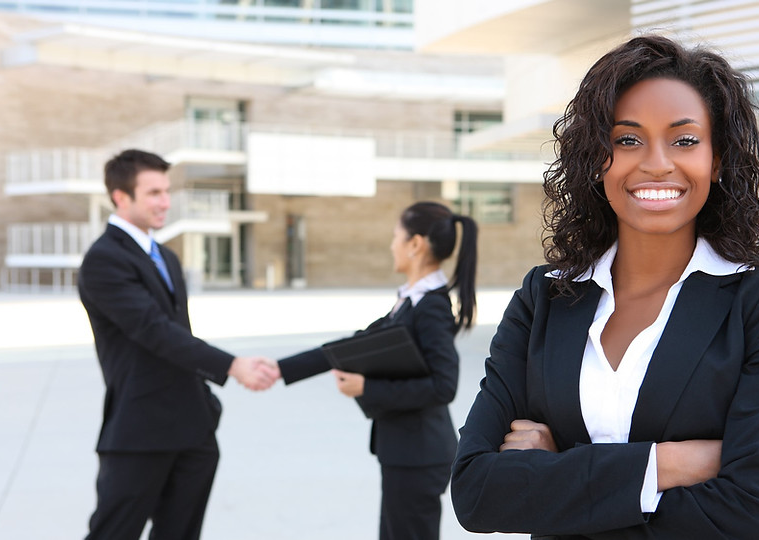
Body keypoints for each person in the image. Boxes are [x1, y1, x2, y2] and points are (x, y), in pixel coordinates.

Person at [449, 35, 759, 540]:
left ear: (718, 158)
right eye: (627, 140)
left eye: (685, 140)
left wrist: (561, 476)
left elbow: (756, 514)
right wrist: (669, 463)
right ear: (596, 159)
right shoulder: (545, 298)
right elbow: (476, 493)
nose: (656, 163)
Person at [78, 148, 280, 540]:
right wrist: (232, 365)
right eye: (153, 192)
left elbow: (180, 333)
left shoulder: (166, 258)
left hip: (193, 427)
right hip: (140, 428)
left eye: (167, 191)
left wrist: (206, 401)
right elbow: (155, 331)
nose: (165, 202)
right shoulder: (104, 260)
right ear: (121, 197)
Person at [276, 201, 478, 540]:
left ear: (415, 244)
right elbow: (357, 344)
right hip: (408, 451)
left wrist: (366, 388)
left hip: (419, 455)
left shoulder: (431, 307)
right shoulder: (412, 300)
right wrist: (281, 369)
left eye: (395, 236)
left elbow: (444, 386)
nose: (391, 245)